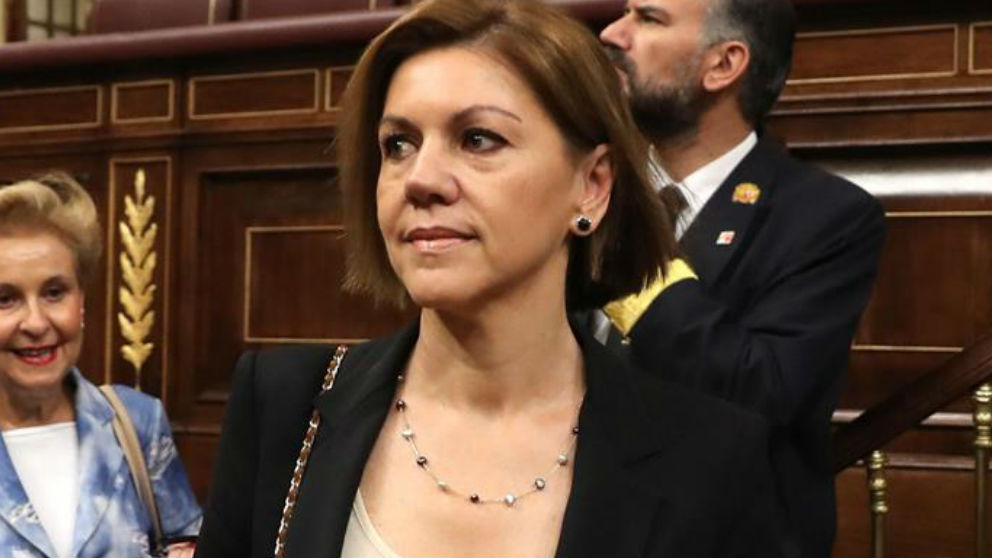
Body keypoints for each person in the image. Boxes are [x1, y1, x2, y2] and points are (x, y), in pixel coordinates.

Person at [195, 0, 788, 556]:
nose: (420, 179)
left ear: (593, 185)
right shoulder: (283, 404)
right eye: (398, 144)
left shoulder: (709, 457)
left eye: (479, 139)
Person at [598, 1, 886, 555]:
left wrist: (628, 258)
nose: (613, 33)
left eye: (648, 19)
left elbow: (763, 390)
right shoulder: (579, 187)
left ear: (723, 65)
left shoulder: (826, 217)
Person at [0, 173, 202, 558]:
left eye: (54, 293)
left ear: (81, 302)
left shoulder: (137, 424)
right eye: (6, 299)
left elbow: (187, 544)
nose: (37, 322)